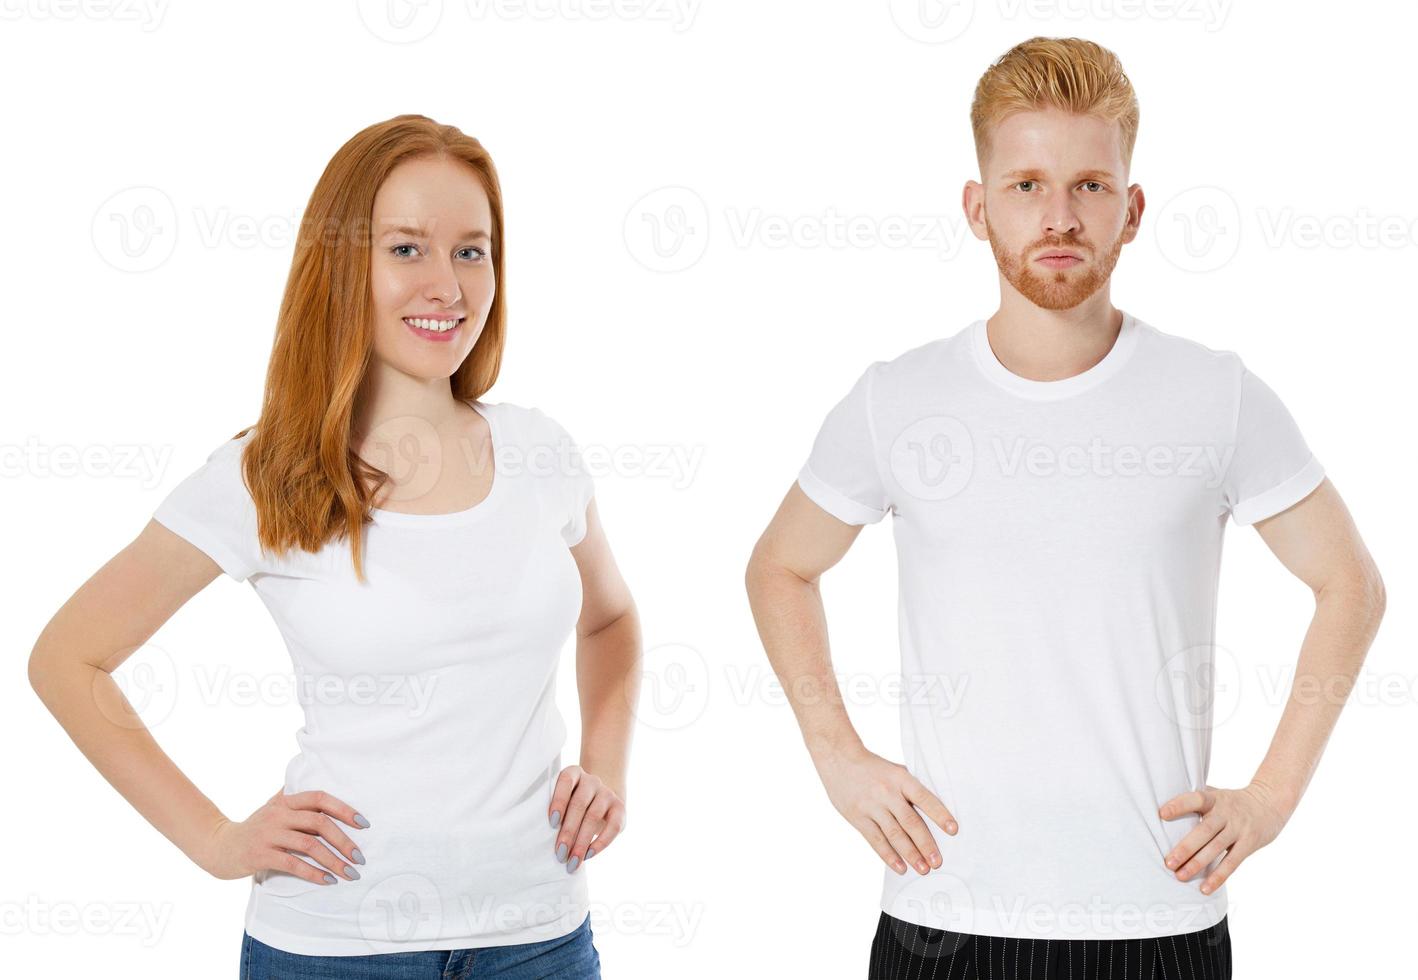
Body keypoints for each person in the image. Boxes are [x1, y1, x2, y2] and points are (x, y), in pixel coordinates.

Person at [744, 37, 1385, 980]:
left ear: (1130, 211)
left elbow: (1351, 586)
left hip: (1155, 920)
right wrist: (839, 757)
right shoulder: (897, 399)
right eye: (1027, 184)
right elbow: (779, 567)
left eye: (1089, 186)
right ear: (977, 206)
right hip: (945, 918)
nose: (1059, 216)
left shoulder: (1215, 395)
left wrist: (1272, 798)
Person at [28, 114, 641, 979]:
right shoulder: (263, 474)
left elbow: (611, 621)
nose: (449, 286)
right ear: (343, 264)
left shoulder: (542, 453)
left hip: (539, 938)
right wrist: (214, 840)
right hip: (336, 948)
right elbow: (68, 659)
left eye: (473, 251)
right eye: (406, 249)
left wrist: (604, 768)